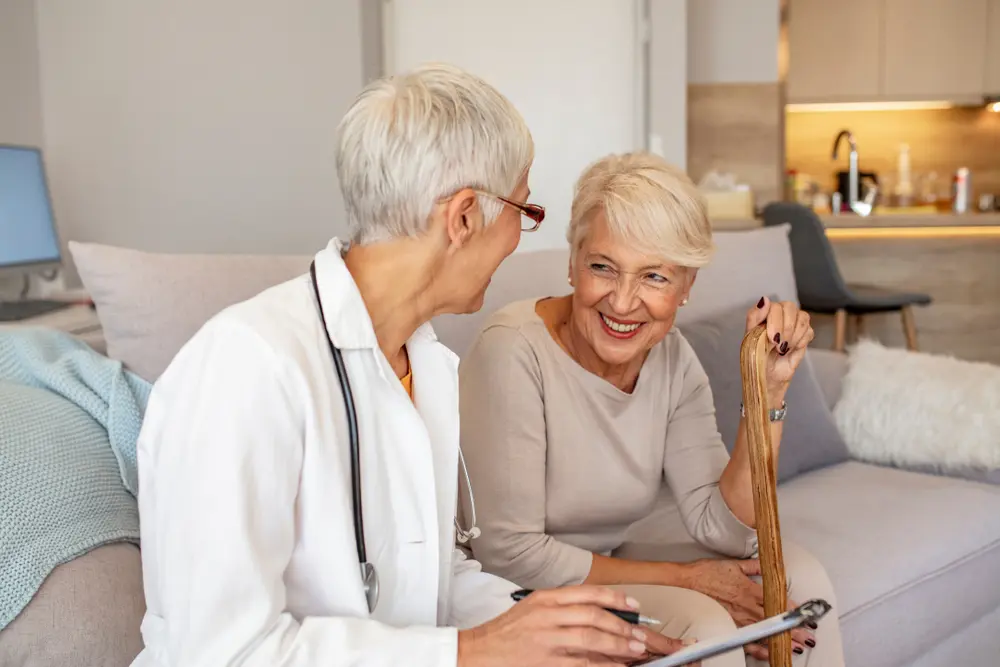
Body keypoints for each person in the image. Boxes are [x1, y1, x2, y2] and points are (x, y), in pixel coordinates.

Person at [131, 67, 689, 667]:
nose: (517, 239)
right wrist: (475, 651)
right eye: (521, 212)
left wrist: (562, 628)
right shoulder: (246, 366)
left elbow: (435, 580)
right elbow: (222, 653)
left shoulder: (421, 361)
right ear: (465, 217)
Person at [457, 152, 847, 667]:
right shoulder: (513, 349)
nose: (622, 302)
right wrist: (689, 580)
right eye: (603, 268)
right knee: (705, 624)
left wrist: (765, 395)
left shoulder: (672, 360)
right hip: (504, 592)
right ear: (572, 263)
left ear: (686, 288)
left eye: (654, 277)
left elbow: (727, 530)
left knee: (799, 579)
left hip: (600, 566)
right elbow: (509, 553)